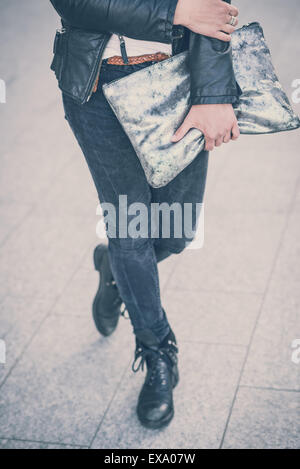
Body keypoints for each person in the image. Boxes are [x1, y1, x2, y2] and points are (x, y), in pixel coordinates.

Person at [49, 0, 241, 430]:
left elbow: (215, 8)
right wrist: (176, 12)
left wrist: (213, 94)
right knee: (131, 231)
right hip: (96, 86)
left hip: (178, 78)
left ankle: (116, 272)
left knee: (175, 234)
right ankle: (157, 351)